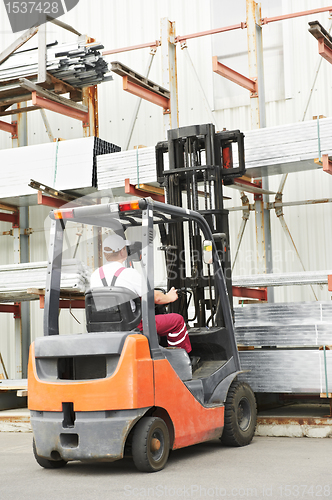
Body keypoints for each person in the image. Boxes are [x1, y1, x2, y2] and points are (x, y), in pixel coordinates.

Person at [90, 233, 195, 358]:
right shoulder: (128, 273)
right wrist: (169, 296)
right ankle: (181, 360)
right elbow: (156, 297)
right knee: (177, 321)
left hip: (103, 325)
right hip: (131, 324)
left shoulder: (95, 275)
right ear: (123, 251)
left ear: (105, 254)